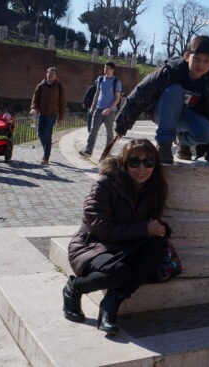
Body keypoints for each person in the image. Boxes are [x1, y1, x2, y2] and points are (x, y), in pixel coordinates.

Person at [64, 139, 169, 335]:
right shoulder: (105, 184)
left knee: (158, 245)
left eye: (148, 163)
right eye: (134, 162)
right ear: (124, 162)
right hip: (93, 245)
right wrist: (145, 229)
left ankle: (111, 303)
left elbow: (148, 223)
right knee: (118, 272)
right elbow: (102, 229)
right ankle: (74, 288)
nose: (142, 168)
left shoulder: (154, 189)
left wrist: (159, 228)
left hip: (125, 245)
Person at [114, 36, 209, 165]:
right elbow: (140, 94)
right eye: (196, 58)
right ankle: (164, 146)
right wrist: (121, 125)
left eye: (206, 61)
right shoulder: (170, 71)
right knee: (175, 90)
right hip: (162, 112)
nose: (200, 65)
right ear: (187, 56)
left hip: (186, 118)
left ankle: (182, 142)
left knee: (208, 133)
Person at [79, 62, 122, 158]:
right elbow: (97, 94)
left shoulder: (116, 82)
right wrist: (93, 107)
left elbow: (118, 98)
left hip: (110, 111)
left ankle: (107, 152)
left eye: (107, 68)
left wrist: (109, 109)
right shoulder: (100, 79)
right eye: (105, 67)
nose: (105, 69)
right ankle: (88, 151)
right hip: (98, 109)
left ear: (112, 70)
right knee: (93, 130)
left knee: (109, 133)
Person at [30, 67, 67, 165]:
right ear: (46, 74)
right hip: (41, 114)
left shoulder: (59, 86)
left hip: (52, 114)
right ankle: (47, 149)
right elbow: (35, 99)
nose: (51, 75)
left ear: (56, 76)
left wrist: (61, 117)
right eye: (50, 73)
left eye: (53, 74)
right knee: (40, 134)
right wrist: (33, 108)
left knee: (47, 133)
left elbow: (62, 103)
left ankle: (46, 156)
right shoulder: (41, 86)